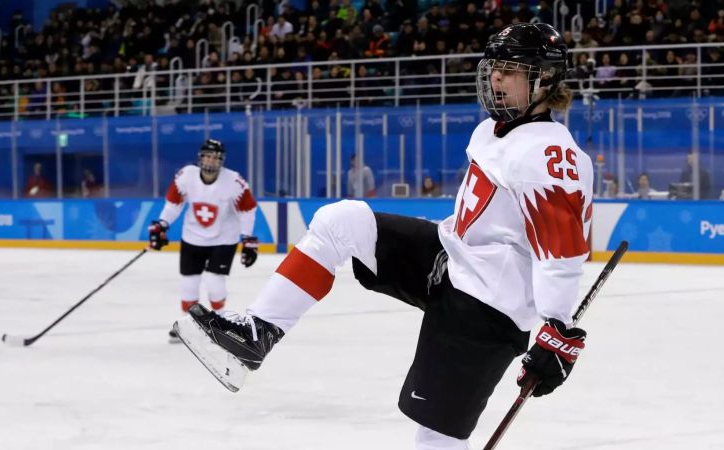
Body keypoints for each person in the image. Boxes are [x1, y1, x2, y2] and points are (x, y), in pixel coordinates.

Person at [173, 23, 593, 450]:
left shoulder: (550, 155)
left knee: (436, 434)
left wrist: (557, 328)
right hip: (450, 262)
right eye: (494, 68)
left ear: (544, 79)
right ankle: (256, 335)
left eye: (511, 69)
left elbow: (561, 253)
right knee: (341, 222)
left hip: (489, 306)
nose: (496, 78)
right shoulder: (492, 130)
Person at [149, 139, 260, 343]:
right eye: (207, 156)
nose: (211, 160)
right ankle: (188, 323)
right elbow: (174, 203)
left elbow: (247, 210)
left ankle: (218, 321)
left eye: (216, 157)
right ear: (200, 158)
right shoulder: (186, 176)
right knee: (189, 282)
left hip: (224, 238)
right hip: (192, 237)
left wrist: (248, 239)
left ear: (221, 161)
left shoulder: (234, 182)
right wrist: (162, 223)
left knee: (214, 280)